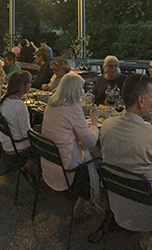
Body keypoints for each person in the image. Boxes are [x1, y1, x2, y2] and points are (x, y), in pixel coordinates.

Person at [100, 74, 152, 231]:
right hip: (150, 214)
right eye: (151, 97)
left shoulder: (106, 126)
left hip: (119, 205)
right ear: (141, 100)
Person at [41, 72, 100, 218]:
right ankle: (79, 207)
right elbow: (90, 142)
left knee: (86, 149)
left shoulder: (51, 104)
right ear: (75, 90)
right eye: (81, 88)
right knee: (96, 160)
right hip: (65, 163)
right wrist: (94, 122)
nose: (82, 92)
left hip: (49, 159)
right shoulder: (73, 108)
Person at [0, 70, 39, 174]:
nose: (30, 85)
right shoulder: (20, 106)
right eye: (29, 83)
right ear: (23, 86)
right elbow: (26, 133)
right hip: (17, 145)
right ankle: (31, 169)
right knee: (44, 147)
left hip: (6, 142)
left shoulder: (4, 99)